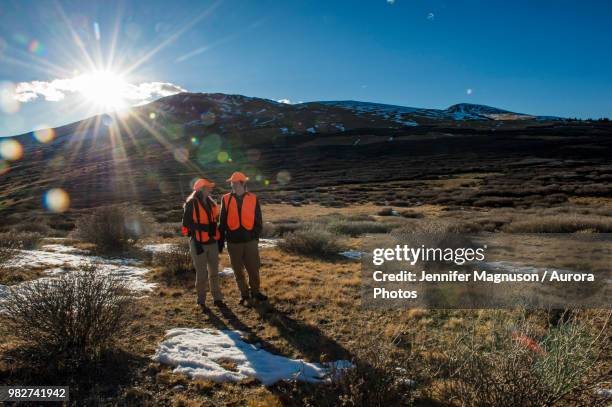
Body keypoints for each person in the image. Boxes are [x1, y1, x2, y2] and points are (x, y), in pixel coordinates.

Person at [219, 171, 267, 306]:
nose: (233, 185)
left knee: (253, 268)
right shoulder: (226, 199)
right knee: (237, 270)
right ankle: (244, 294)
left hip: (250, 241)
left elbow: (259, 220)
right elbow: (222, 221)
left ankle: (255, 292)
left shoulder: (253, 198)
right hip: (233, 242)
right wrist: (221, 240)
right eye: (231, 183)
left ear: (243, 183)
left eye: (235, 183)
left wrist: (255, 237)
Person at [181, 178, 223, 309]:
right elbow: (186, 223)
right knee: (201, 273)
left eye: (210, 187)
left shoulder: (211, 203)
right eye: (207, 187)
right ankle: (201, 300)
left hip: (212, 242)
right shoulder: (191, 203)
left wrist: (219, 238)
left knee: (214, 272)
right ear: (200, 189)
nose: (210, 189)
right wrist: (205, 228)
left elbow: (214, 222)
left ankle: (217, 298)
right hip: (198, 243)